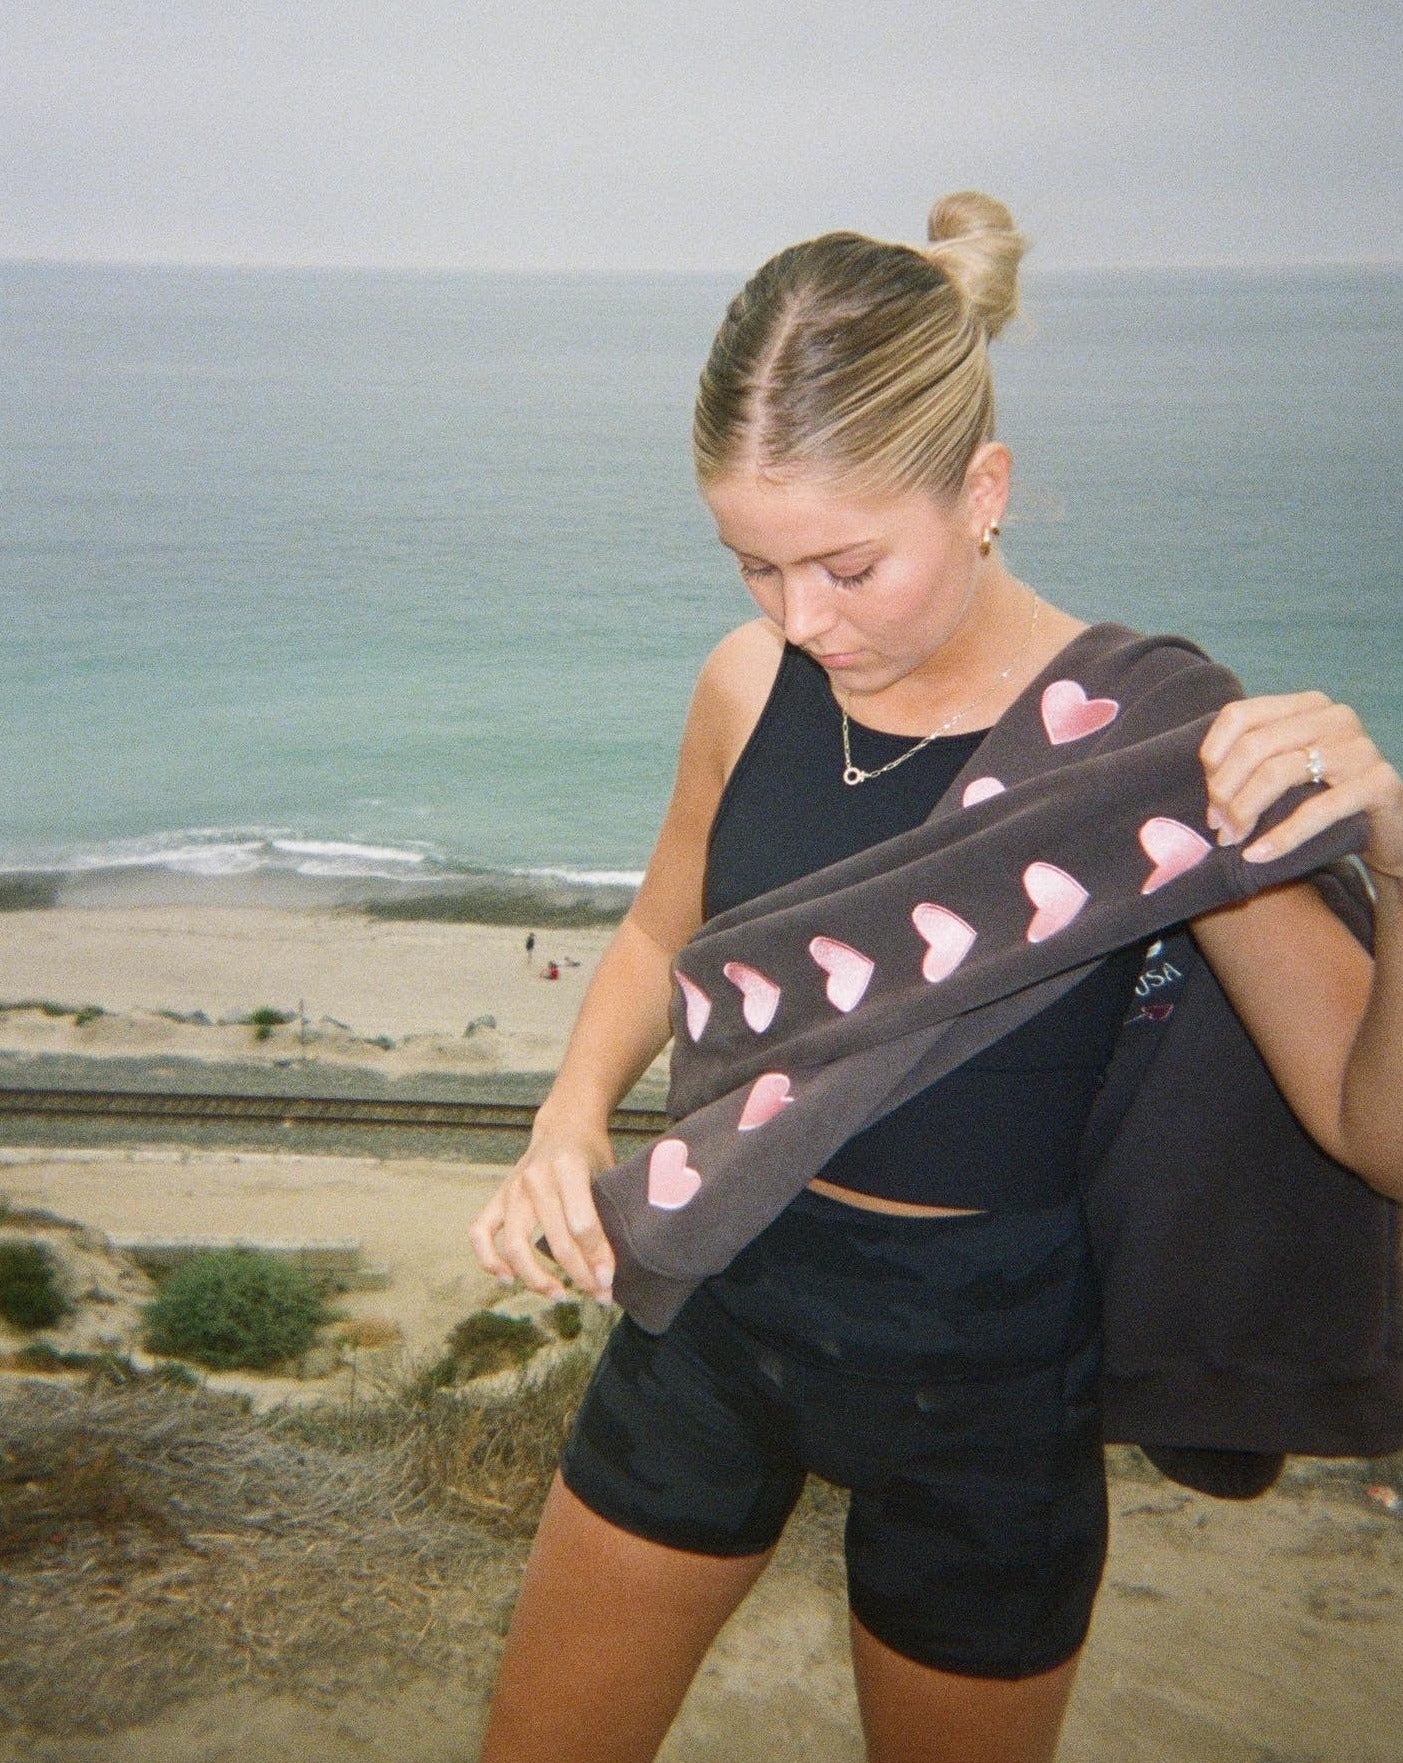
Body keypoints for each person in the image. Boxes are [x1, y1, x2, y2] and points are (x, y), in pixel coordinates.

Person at [469, 192, 1403, 1763]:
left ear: (985, 491)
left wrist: (1402, 854)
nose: (802, 619)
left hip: (991, 1366)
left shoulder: (1160, 750)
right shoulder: (748, 681)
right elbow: (658, 933)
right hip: (723, 1276)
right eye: (753, 566)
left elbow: (1374, 1134)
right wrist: (567, 1122)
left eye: (847, 565)